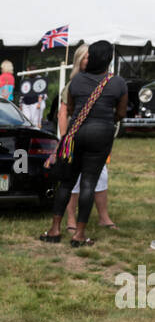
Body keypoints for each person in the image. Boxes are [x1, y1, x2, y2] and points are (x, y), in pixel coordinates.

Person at [38, 39, 127, 248]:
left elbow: (69, 111)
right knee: (88, 182)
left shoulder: (76, 81)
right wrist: (107, 120)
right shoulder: (118, 83)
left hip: (75, 134)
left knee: (67, 182)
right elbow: (121, 113)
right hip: (101, 135)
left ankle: (54, 229)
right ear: (109, 60)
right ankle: (79, 235)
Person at [56, 44, 114, 233]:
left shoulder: (104, 83)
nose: (89, 61)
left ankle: (103, 217)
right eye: (85, 58)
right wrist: (65, 139)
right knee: (72, 179)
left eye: (91, 58)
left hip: (96, 139)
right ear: (79, 61)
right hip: (74, 137)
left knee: (101, 176)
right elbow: (62, 114)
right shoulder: (73, 84)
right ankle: (71, 219)